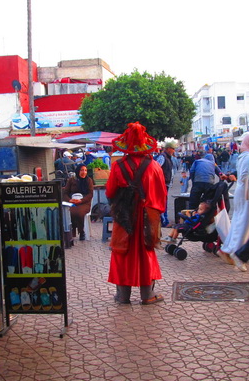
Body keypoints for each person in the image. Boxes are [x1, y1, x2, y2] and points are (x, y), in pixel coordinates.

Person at [106, 122, 167, 305]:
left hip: (124, 216)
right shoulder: (155, 166)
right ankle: (147, 295)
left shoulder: (118, 167)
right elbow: (162, 195)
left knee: (122, 251)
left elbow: (109, 193)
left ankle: (123, 296)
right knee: (146, 250)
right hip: (147, 216)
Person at [217, 133, 249, 268]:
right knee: (244, 221)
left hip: (243, 190)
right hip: (247, 192)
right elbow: (246, 176)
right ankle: (233, 250)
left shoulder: (244, 156)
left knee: (241, 220)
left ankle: (231, 248)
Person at [62, 164, 94, 241]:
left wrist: (81, 200)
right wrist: (69, 200)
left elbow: (90, 194)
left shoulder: (88, 180)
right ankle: (71, 232)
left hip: (84, 202)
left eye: (85, 170)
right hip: (73, 201)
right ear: (78, 171)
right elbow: (65, 193)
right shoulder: (72, 180)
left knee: (80, 213)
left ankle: (81, 231)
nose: (84, 172)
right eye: (82, 170)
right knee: (71, 212)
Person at [156, 141, 177, 227]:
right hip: (162, 184)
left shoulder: (168, 157)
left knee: (164, 201)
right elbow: (156, 168)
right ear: (168, 149)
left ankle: (165, 220)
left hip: (165, 183)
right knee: (162, 202)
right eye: (173, 149)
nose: (174, 151)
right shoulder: (163, 157)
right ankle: (164, 221)